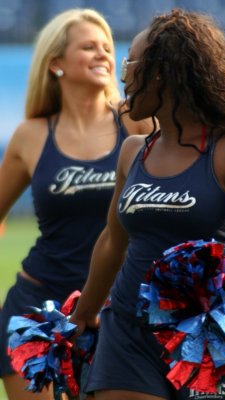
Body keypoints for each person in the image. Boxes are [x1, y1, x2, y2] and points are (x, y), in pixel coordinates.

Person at [70, 8, 225, 400]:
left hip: (204, 331)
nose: (123, 75)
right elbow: (113, 242)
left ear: (164, 72)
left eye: (130, 62)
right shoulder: (133, 150)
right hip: (128, 331)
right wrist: (82, 315)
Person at [0, 8, 154, 400]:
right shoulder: (30, 136)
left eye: (106, 46)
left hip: (117, 308)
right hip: (38, 309)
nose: (103, 54)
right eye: (89, 47)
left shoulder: (136, 123)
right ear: (56, 64)